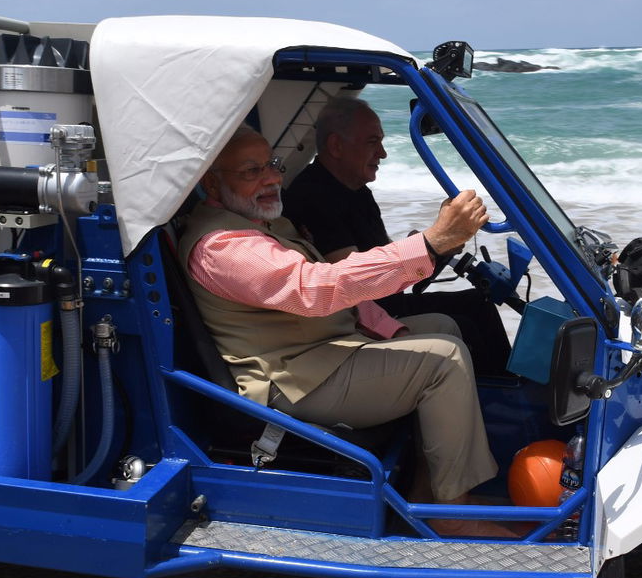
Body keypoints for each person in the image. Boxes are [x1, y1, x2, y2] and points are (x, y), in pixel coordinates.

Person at [179, 124, 518, 539]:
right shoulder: (223, 245)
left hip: (318, 350)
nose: (271, 178)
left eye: (272, 164)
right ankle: (451, 515)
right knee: (442, 360)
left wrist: (391, 329)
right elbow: (315, 288)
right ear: (212, 182)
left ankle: (428, 490)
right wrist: (429, 244)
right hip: (290, 378)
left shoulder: (259, 222)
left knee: (442, 326)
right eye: (252, 171)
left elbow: (338, 292)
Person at [283, 95, 513, 375]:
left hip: (386, 301)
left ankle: (510, 389)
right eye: (372, 142)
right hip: (360, 316)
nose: (383, 153)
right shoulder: (314, 196)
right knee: (464, 326)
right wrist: (432, 243)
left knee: (480, 303)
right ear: (336, 146)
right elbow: (356, 281)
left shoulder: (357, 191)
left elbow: (380, 260)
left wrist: (438, 245)